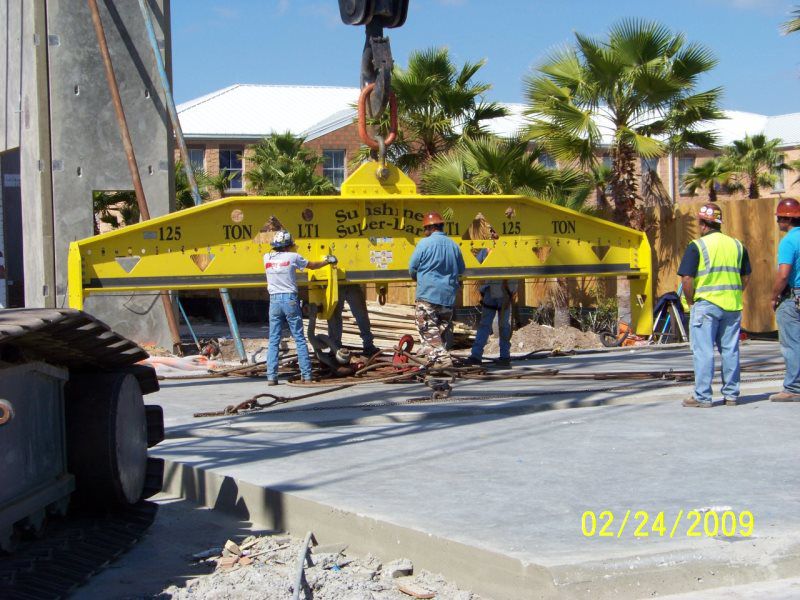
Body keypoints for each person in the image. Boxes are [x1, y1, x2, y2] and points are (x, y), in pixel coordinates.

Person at [678, 203, 751, 408]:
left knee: (703, 351)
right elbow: (746, 276)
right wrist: (735, 293)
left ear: (703, 224)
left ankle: (702, 396)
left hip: (706, 305)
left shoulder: (697, 246)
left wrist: (691, 302)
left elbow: (686, 279)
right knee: (730, 351)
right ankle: (731, 395)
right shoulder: (737, 245)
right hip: (732, 306)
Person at [264, 230, 337, 385]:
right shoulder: (293, 257)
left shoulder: (266, 257)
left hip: (274, 301)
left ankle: (271, 377)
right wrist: (327, 260)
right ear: (288, 245)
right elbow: (312, 266)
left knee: (274, 339)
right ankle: (307, 375)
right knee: (299, 338)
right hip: (289, 300)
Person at [408, 211, 465, 369]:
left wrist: (420, 279)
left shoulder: (424, 244)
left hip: (428, 295)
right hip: (447, 297)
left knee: (426, 328)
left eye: (425, 228)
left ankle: (442, 360)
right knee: (440, 332)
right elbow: (461, 269)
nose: (424, 232)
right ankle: (435, 361)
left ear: (431, 228)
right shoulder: (454, 245)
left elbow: (412, 268)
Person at [464, 215, 516, 368]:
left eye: (495, 231)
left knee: (504, 326)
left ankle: (504, 356)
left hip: (505, 292)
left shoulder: (509, 248)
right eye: (492, 231)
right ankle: (476, 355)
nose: (493, 234)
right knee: (486, 324)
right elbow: (477, 264)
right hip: (491, 292)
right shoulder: (487, 249)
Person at [769, 197, 800, 402]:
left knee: (792, 344)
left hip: (793, 297)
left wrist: (774, 296)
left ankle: (793, 388)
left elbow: (783, 275)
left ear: (787, 219)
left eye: (779, 218)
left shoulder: (788, 241)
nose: (778, 222)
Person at [327, 284, 379, 357]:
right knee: (360, 315)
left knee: (335, 316)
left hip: (345, 283)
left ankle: (335, 347)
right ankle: (368, 345)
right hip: (344, 283)